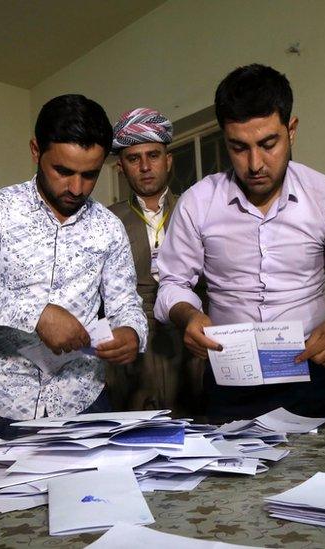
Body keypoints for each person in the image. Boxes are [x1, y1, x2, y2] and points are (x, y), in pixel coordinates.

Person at [154, 64, 325, 421]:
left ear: (291, 130)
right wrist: (189, 315)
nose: (254, 163)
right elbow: (172, 284)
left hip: (312, 373)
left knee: (317, 475)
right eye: (238, 147)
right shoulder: (198, 202)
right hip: (228, 379)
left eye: (268, 144)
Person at [0, 94, 147, 441]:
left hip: (87, 403)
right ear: (36, 151)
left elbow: (125, 302)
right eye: (63, 171)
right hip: (9, 412)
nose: (76, 188)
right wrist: (38, 314)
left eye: (89, 175)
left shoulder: (109, 228)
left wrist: (132, 333)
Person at [106, 108, 190, 412]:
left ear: (168, 160)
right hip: (132, 349)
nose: (145, 166)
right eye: (133, 158)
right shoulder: (106, 220)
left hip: (189, 342)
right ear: (121, 167)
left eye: (153, 155)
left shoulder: (195, 210)